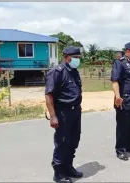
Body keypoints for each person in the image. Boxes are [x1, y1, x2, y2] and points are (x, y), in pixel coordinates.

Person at [45, 46, 83, 183]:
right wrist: (53, 116)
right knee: (62, 142)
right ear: (67, 57)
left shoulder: (74, 71)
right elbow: (49, 95)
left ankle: (68, 167)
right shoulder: (57, 72)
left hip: (75, 111)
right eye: (75, 58)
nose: (78, 60)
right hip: (63, 112)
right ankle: (59, 173)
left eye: (79, 58)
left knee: (74, 140)